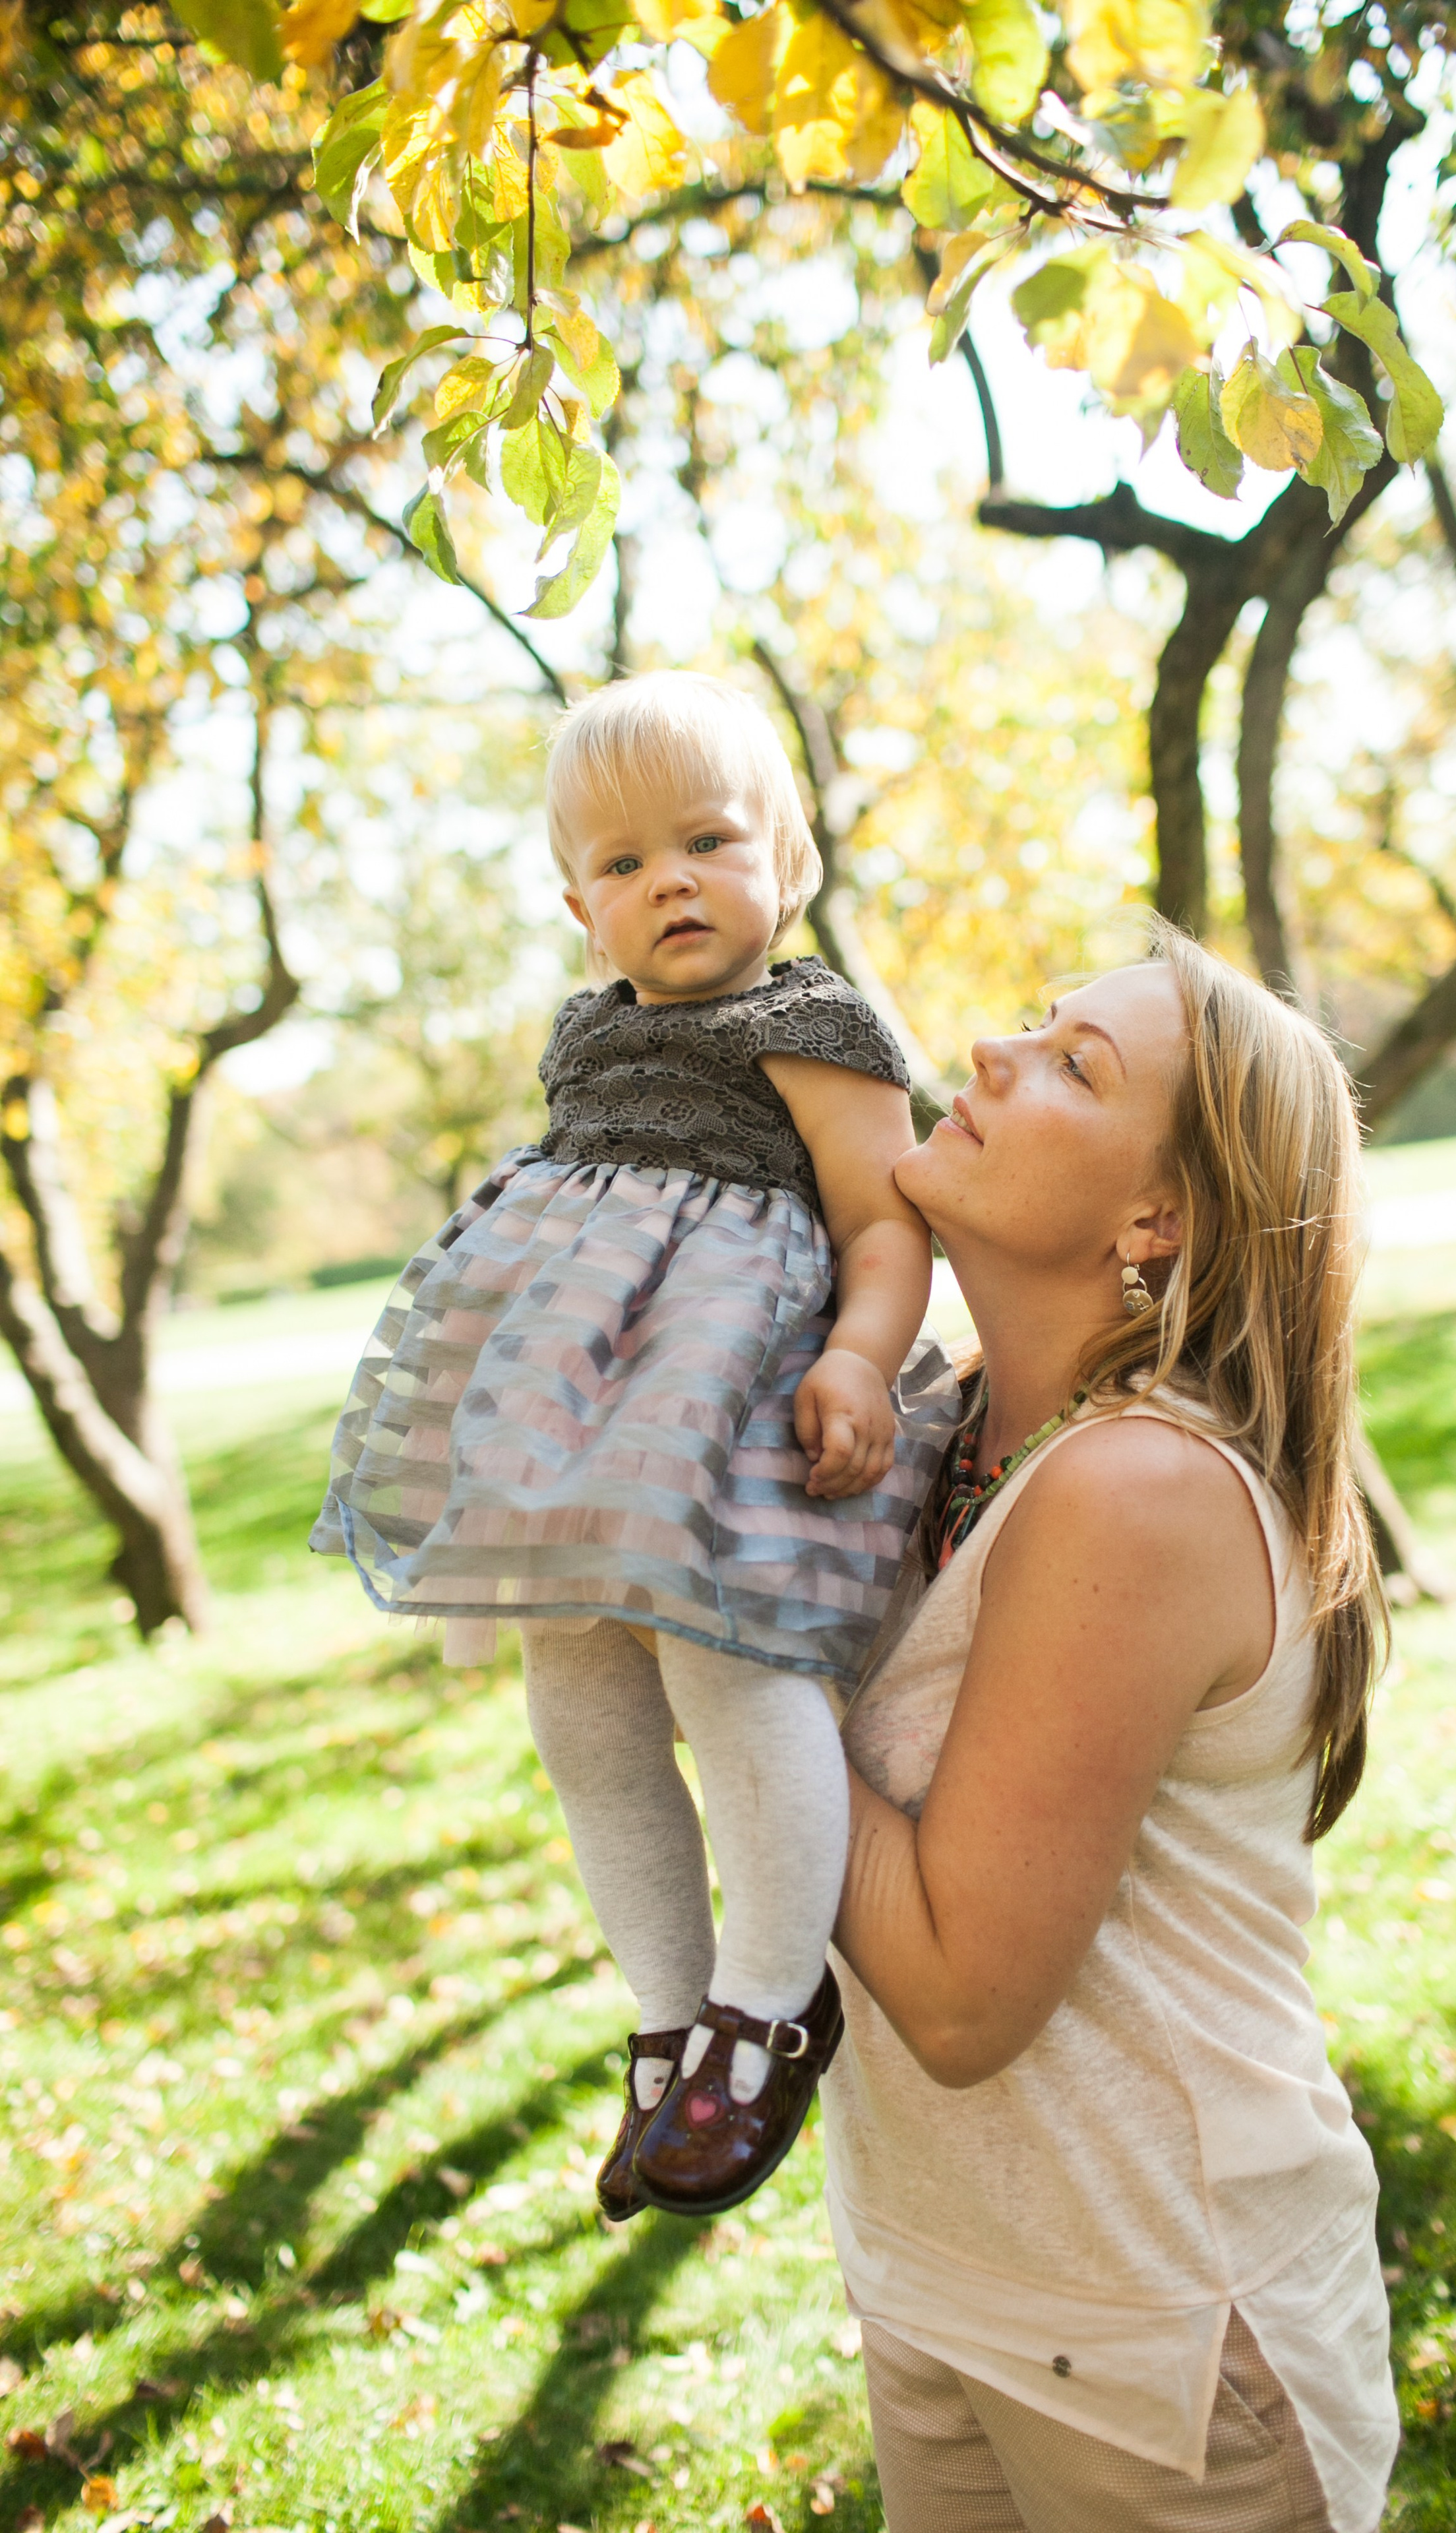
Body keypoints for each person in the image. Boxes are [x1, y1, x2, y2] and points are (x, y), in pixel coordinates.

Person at [311, 672, 956, 2221]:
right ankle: (669, 2015)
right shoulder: (584, 1035)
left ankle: (768, 1999)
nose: (667, 878)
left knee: (730, 1670)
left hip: (726, 1412)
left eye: (708, 839)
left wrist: (862, 1359)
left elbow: (882, 1220)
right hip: (582, 1428)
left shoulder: (812, 1024)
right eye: (619, 863)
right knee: (580, 1706)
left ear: (784, 861)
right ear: (574, 905)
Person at [824, 925, 1399, 2533]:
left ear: (1157, 1218)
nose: (996, 1052)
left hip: (1162, 2340)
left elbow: (954, 2000)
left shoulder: (1132, 1490)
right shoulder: (934, 1424)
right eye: (1031, 1022)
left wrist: (745, 1662)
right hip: (940, 2278)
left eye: (1075, 1066)